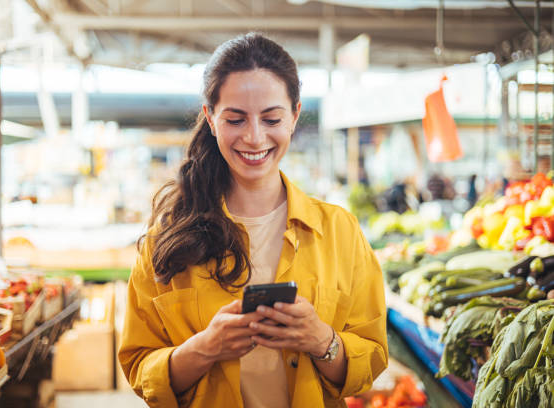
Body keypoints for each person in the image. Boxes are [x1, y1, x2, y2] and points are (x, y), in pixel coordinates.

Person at [118, 33, 388, 408]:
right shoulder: (165, 239)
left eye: (271, 118)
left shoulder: (340, 232)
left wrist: (321, 341)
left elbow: (371, 357)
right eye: (236, 119)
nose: (254, 137)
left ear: (294, 116)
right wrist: (204, 348)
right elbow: (138, 367)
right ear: (211, 118)